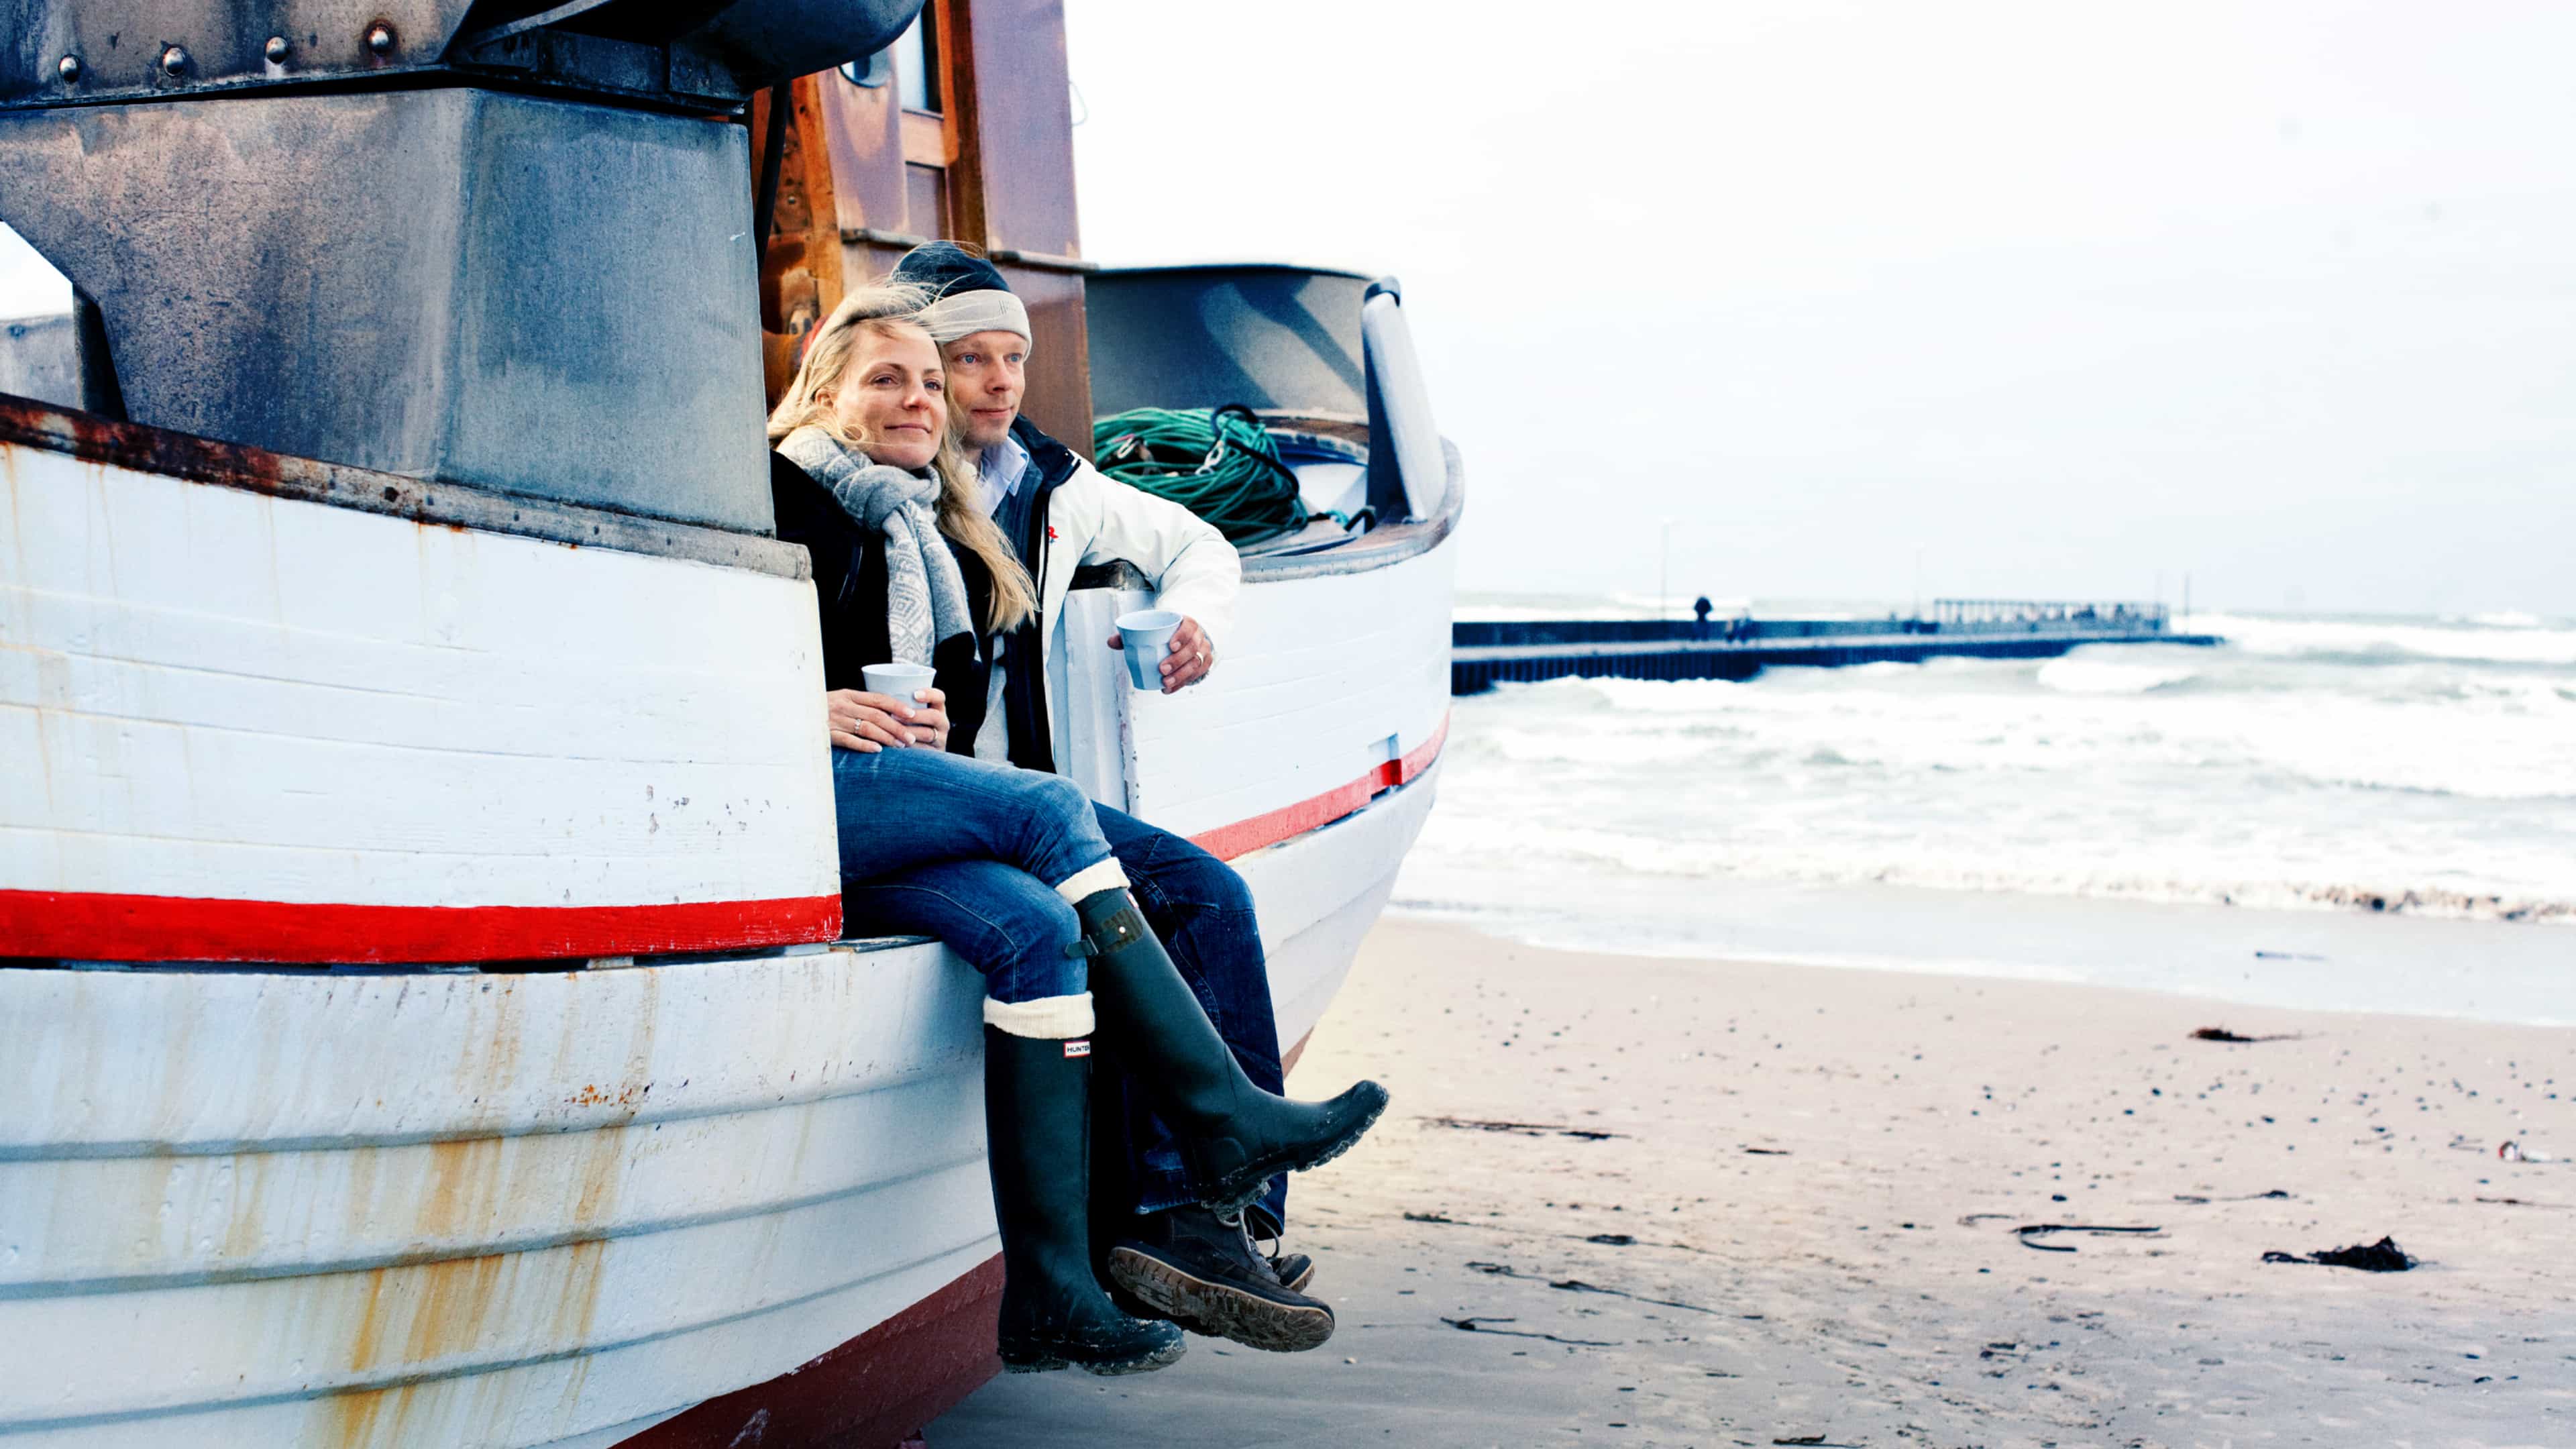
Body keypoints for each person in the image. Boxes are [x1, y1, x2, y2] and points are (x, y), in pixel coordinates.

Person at [765, 288, 1387, 1373]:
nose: (928, 398)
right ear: (824, 392)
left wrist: (935, 722)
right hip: (796, 801)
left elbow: (970, 686)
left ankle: (1056, 1292)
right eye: (892, 379)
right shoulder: (778, 492)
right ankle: (1224, 1117)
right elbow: (686, 648)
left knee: (1039, 930)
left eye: (931, 380)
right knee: (1049, 810)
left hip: (902, 800)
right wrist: (800, 708)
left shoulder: (928, 517)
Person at [881, 241, 1328, 1349]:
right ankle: (1180, 1223)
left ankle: (1211, 1222)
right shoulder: (880, 481)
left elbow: (1197, 542)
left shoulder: (1048, 483)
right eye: (967, 361)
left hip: (1025, 802)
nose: (999, 382)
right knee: (1118, 914)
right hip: (942, 807)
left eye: (1013, 358)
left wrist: (1195, 624)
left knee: (1208, 894)